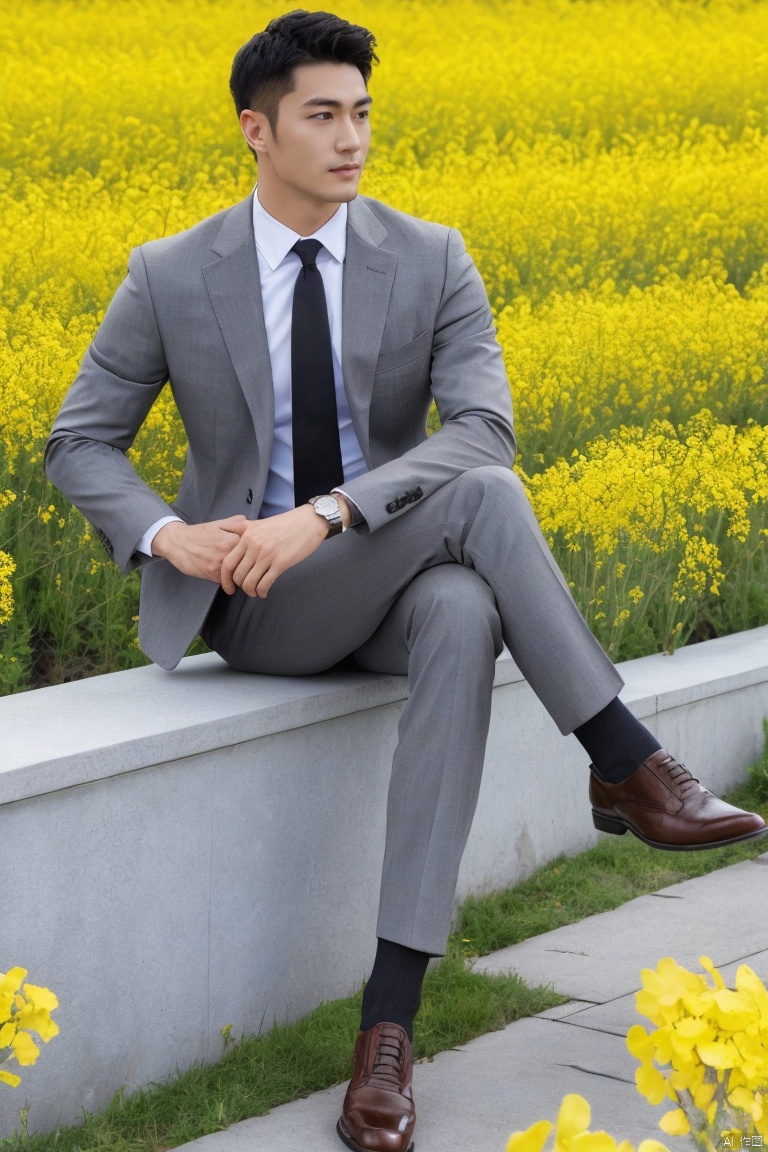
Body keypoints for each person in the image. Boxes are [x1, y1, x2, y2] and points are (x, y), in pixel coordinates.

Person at [45, 11, 766, 1151]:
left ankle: (388, 1030)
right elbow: (79, 441)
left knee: (464, 598)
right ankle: (626, 763)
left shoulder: (429, 256)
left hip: (376, 580)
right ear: (257, 130)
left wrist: (327, 514)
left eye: (363, 114)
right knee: (485, 506)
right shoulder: (174, 273)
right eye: (324, 115)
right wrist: (169, 537)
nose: (352, 139)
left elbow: (484, 427)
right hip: (258, 605)